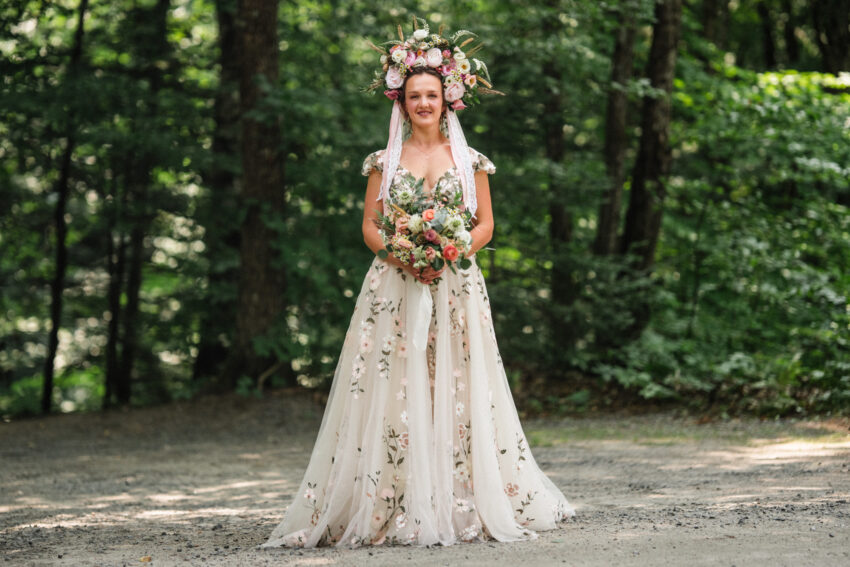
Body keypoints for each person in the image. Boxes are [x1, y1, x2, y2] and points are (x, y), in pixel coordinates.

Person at [261, 20, 574, 549]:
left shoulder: (470, 161)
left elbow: (486, 226)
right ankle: (391, 498)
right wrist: (403, 253)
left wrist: (450, 250)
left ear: (447, 99)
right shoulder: (383, 161)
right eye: (414, 96)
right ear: (401, 103)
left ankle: (462, 497)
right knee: (394, 385)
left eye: (431, 94)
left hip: (456, 284)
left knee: (458, 383)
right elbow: (368, 226)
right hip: (394, 286)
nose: (423, 103)